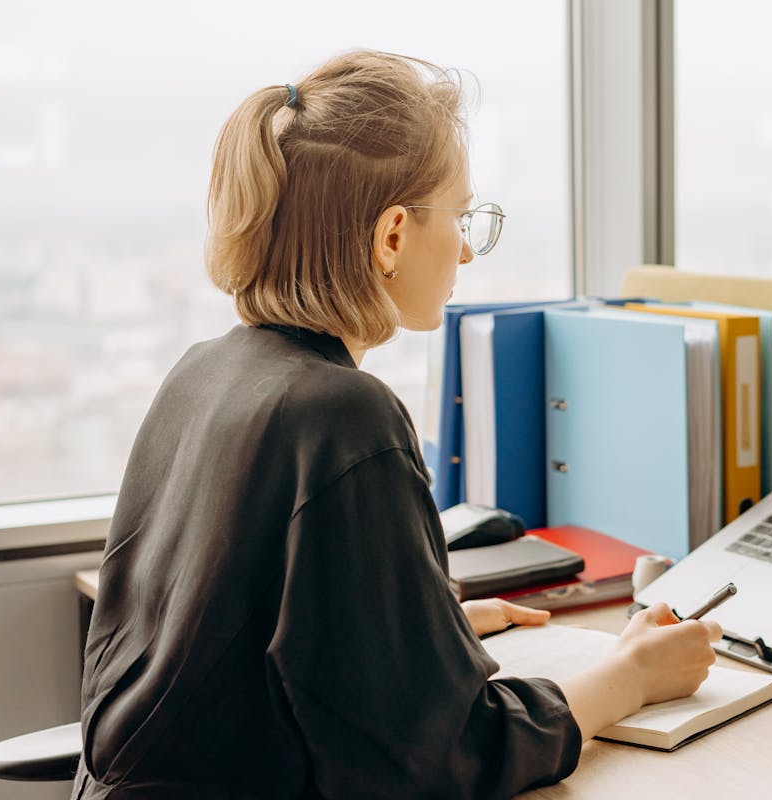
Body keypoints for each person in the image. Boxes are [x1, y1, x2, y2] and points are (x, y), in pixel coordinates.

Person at [73, 50, 722, 800]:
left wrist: (415, 638)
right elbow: (441, 760)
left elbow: (234, 650)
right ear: (390, 238)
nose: (467, 247)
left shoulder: (206, 371)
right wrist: (630, 677)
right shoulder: (343, 413)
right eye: (459, 216)